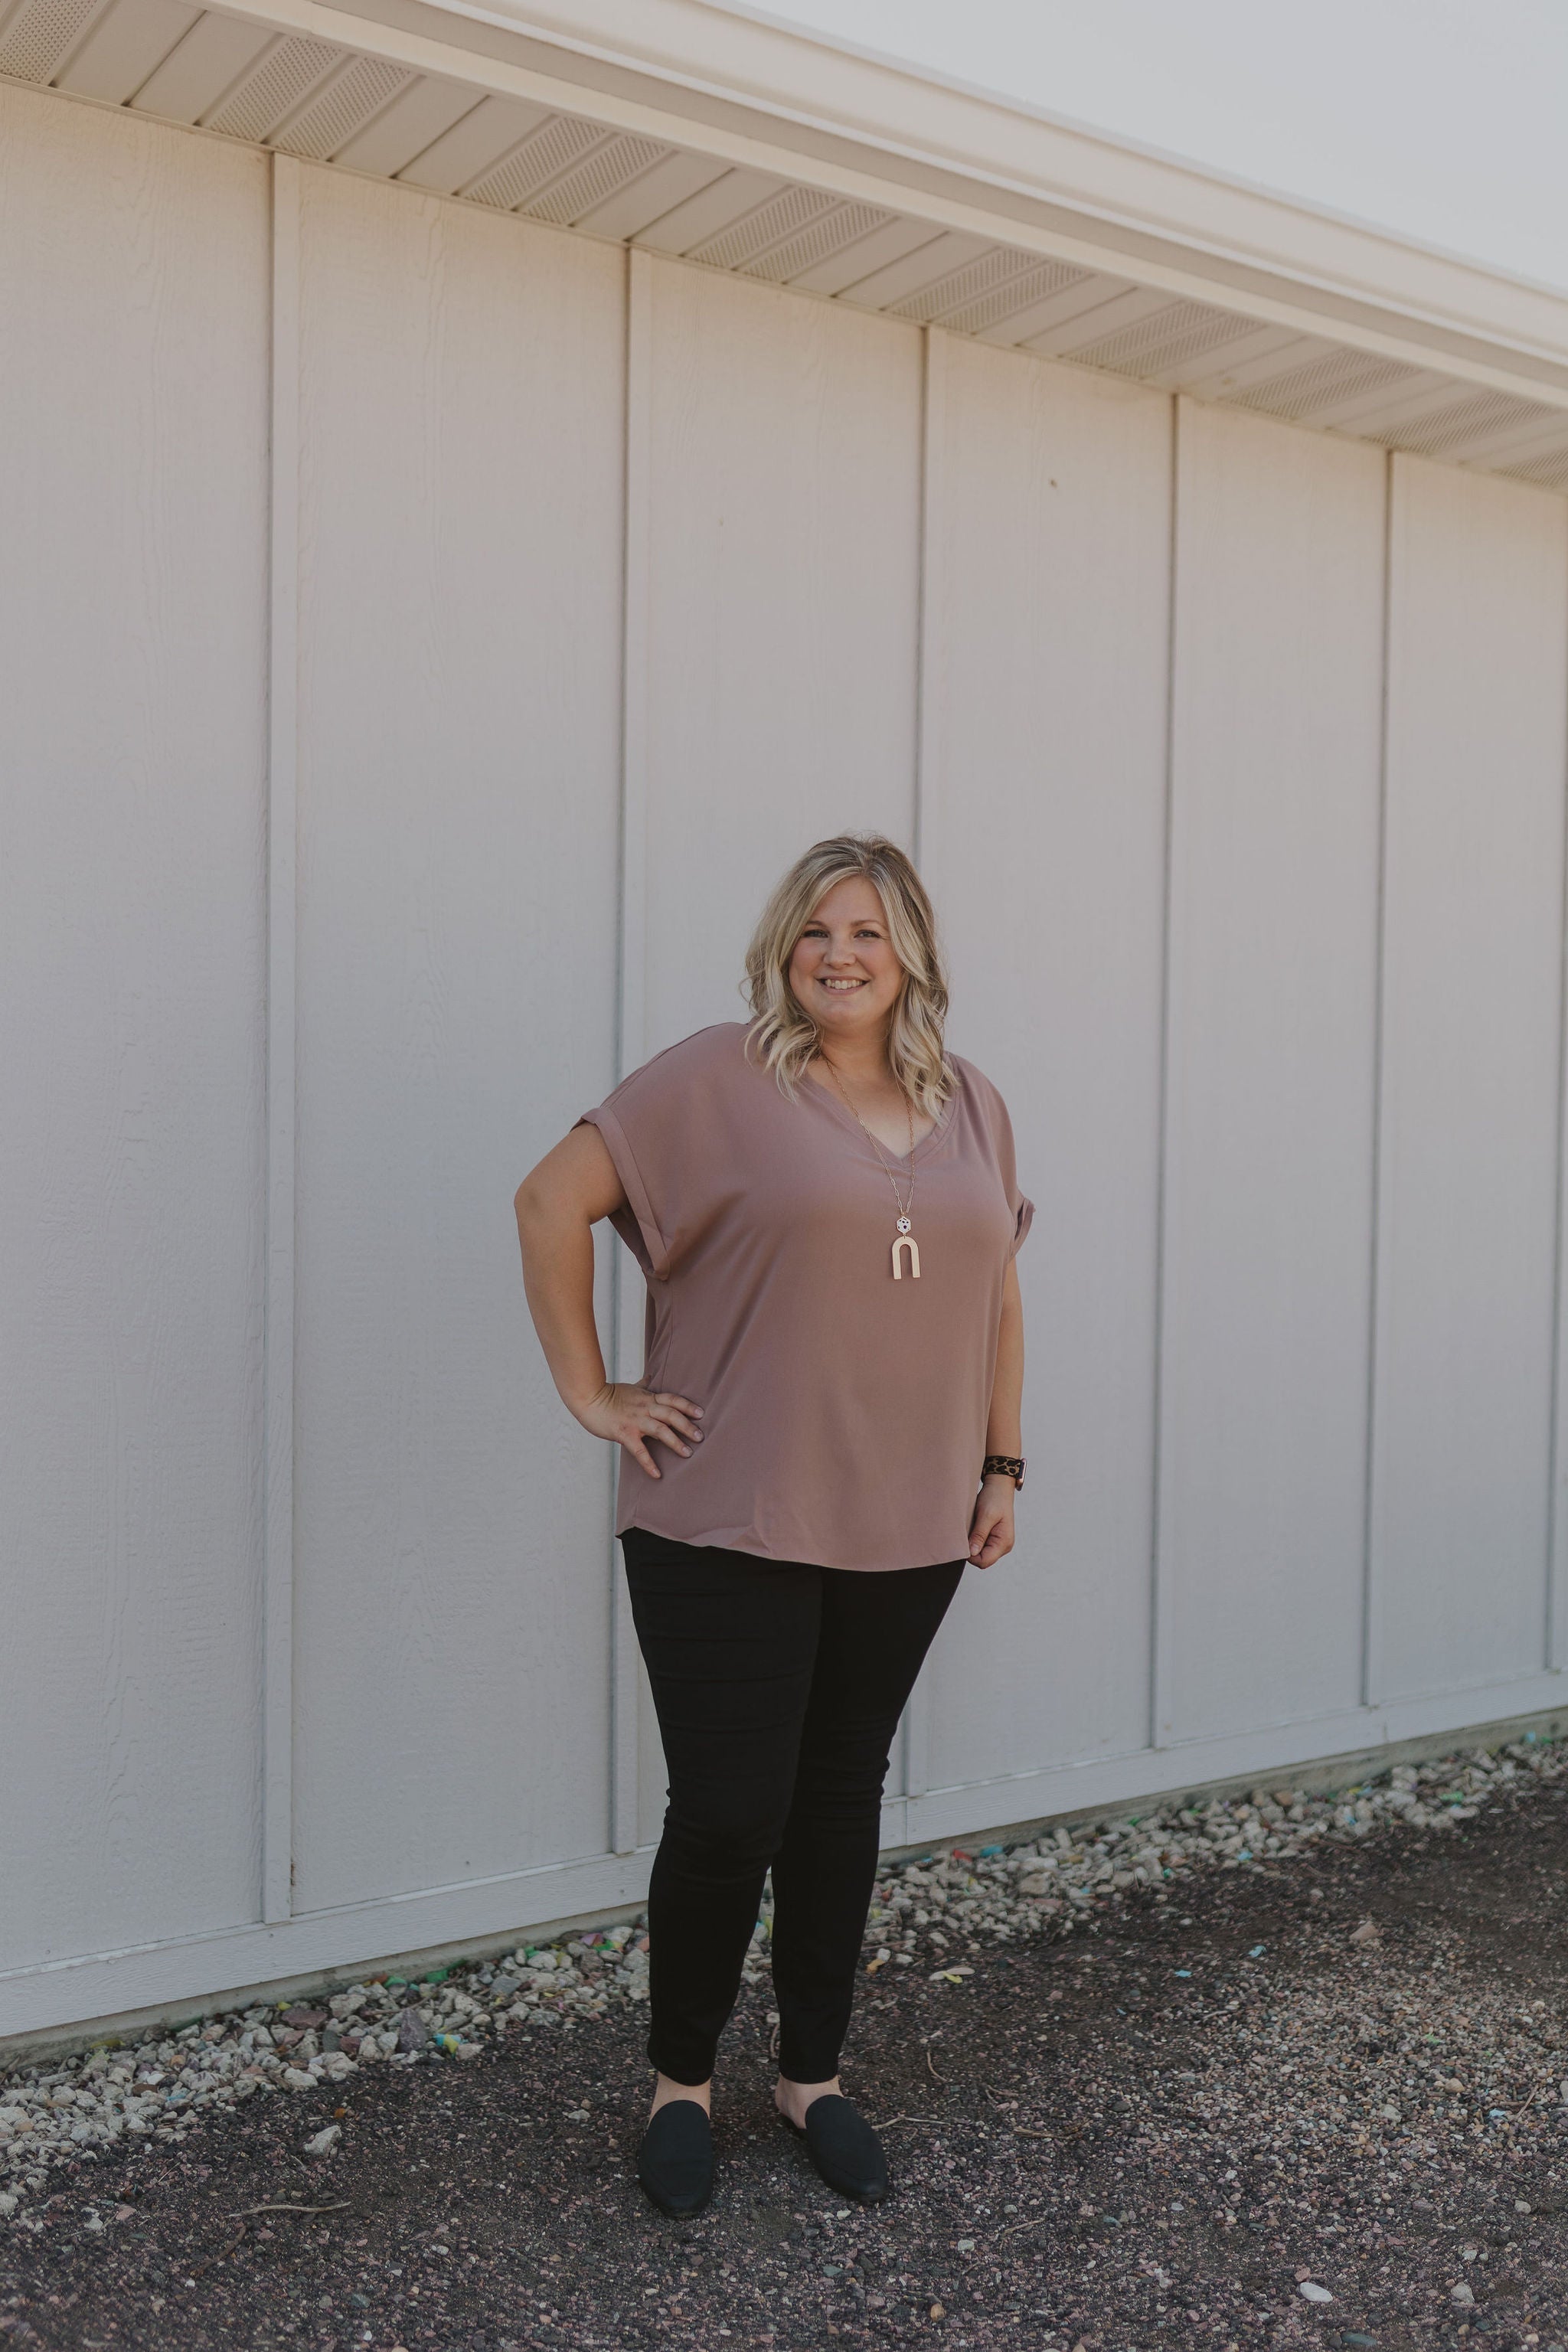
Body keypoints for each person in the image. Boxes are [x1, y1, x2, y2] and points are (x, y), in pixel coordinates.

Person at [514, 834, 1031, 2216]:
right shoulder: (716, 1078)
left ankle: (812, 2076)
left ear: (910, 951)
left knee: (840, 1797)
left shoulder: (973, 1103)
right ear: (781, 950)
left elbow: (998, 1293)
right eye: (814, 931)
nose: (838, 955)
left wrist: (1002, 1464)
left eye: (866, 931)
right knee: (731, 1810)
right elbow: (550, 1199)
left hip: (910, 1519)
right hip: (728, 1514)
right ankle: (680, 2084)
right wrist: (592, 1392)